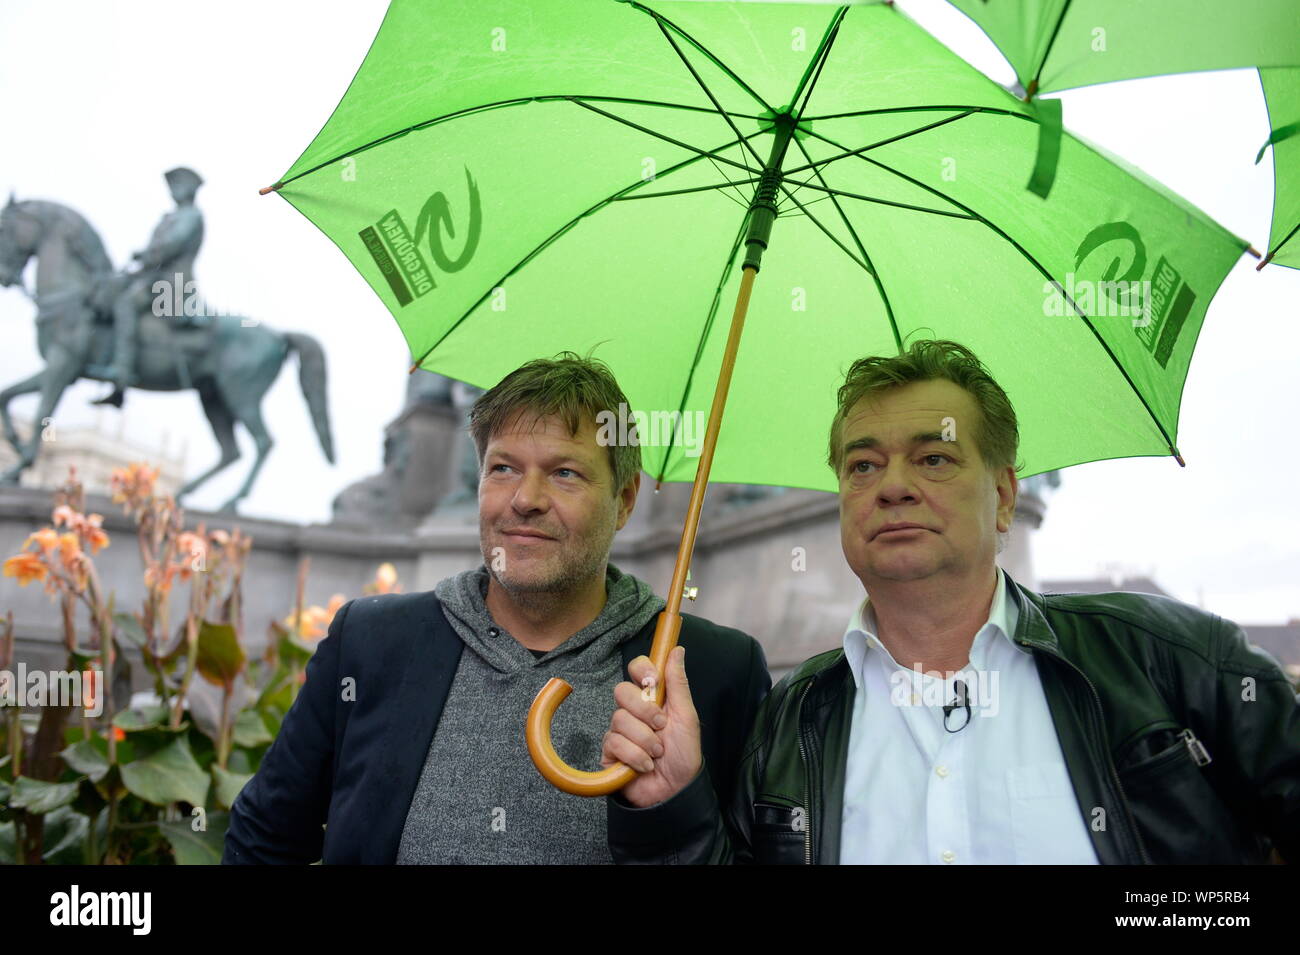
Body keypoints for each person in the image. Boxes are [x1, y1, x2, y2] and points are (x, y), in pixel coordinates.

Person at [602, 339, 1300, 864]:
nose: (893, 485)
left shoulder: (1170, 661)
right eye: (863, 463)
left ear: (1002, 495)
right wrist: (675, 807)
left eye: (934, 457)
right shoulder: (788, 724)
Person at [223, 352, 769, 864]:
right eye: (503, 468)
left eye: (565, 473)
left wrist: (676, 813)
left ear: (624, 501)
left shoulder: (716, 670)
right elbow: (263, 839)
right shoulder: (370, 641)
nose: (525, 498)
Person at [93, 166, 206, 408]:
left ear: (188, 189)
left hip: (172, 282)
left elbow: (172, 245)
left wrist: (146, 254)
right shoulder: (171, 217)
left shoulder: (192, 216)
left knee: (126, 304)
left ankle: (121, 372)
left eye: (177, 186)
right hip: (152, 276)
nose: (173, 191)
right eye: (172, 187)